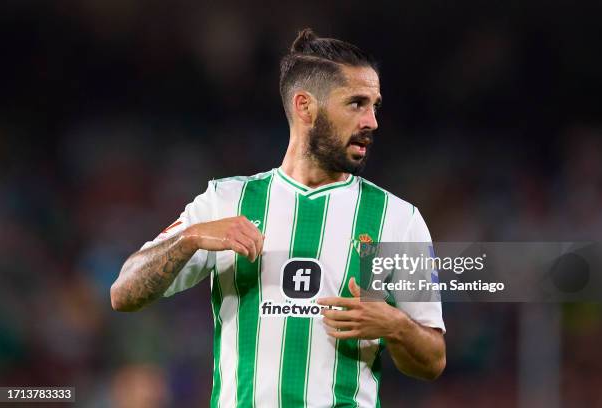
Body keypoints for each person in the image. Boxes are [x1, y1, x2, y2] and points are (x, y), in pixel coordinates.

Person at [111, 28, 446, 407]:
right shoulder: (225, 200)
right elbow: (123, 293)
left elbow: (433, 361)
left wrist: (396, 326)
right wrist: (190, 238)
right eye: (356, 104)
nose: (372, 121)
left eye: (375, 105)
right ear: (305, 107)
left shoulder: (398, 219)